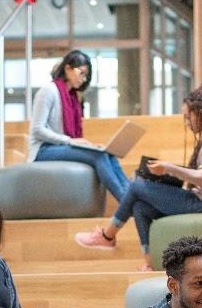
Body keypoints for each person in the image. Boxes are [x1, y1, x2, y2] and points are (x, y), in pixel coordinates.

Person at [75, 85, 202, 270]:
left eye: (188, 116)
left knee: (137, 186)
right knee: (140, 207)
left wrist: (170, 168)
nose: (187, 122)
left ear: (201, 112)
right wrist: (167, 173)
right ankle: (150, 262)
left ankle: (107, 236)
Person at [29, 49, 129, 202]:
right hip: (43, 150)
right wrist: (70, 141)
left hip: (60, 147)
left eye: (86, 75)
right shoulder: (48, 91)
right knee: (98, 155)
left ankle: (131, 197)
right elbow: (37, 130)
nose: (84, 79)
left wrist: (85, 144)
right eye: (81, 73)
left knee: (108, 153)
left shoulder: (73, 97)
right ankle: (126, 202)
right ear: (67, 68)